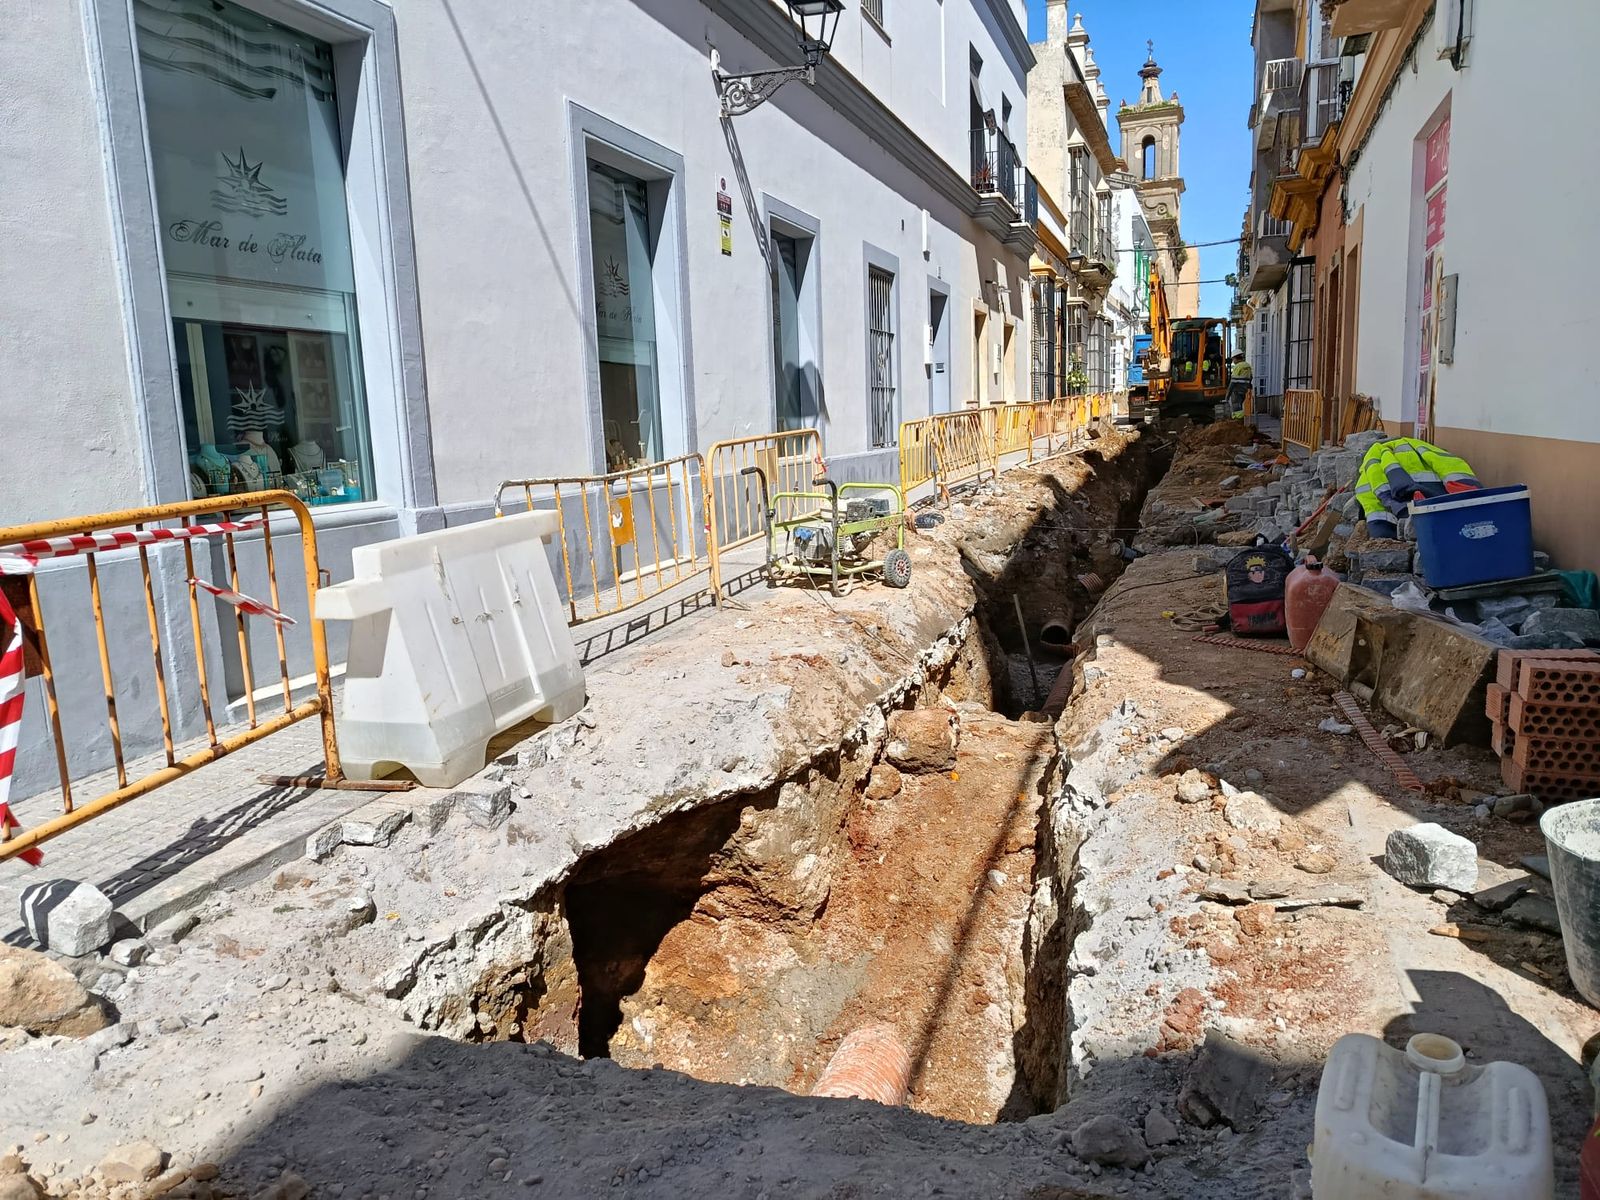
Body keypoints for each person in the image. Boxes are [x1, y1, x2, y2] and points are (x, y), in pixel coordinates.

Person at [1354, 437, 1481, 539]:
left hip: (1414, 510)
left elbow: (1374, 498)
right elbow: (1450, 467)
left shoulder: (1372, 465)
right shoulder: (1423, 449)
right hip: (1438, 506)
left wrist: (1382, 529)